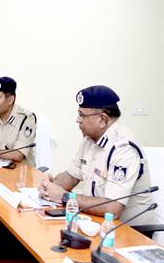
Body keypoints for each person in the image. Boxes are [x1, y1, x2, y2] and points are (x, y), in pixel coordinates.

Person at [39, 85, 154, 224]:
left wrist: (64, 196)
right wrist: (50, 186)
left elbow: (113, 208)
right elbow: (71, 176)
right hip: (96, 221)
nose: (78, 120)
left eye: (82, 115)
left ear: (102, 119)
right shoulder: (89, 139)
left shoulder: (124, 149)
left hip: (127, 230)